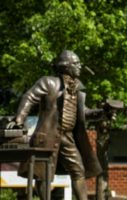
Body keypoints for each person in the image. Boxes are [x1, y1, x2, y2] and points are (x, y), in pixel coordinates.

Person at [7, 50, 103, 200]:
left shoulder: (76, 89)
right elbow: (29, 97)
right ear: (65, 66)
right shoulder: (49, 82)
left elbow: (84, 112)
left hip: (67, 137)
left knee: (78, 170)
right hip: (47, 137)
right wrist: (19, 120)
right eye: (76, 63)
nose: (80, 67)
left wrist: (102, 113)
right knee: (43, 174)